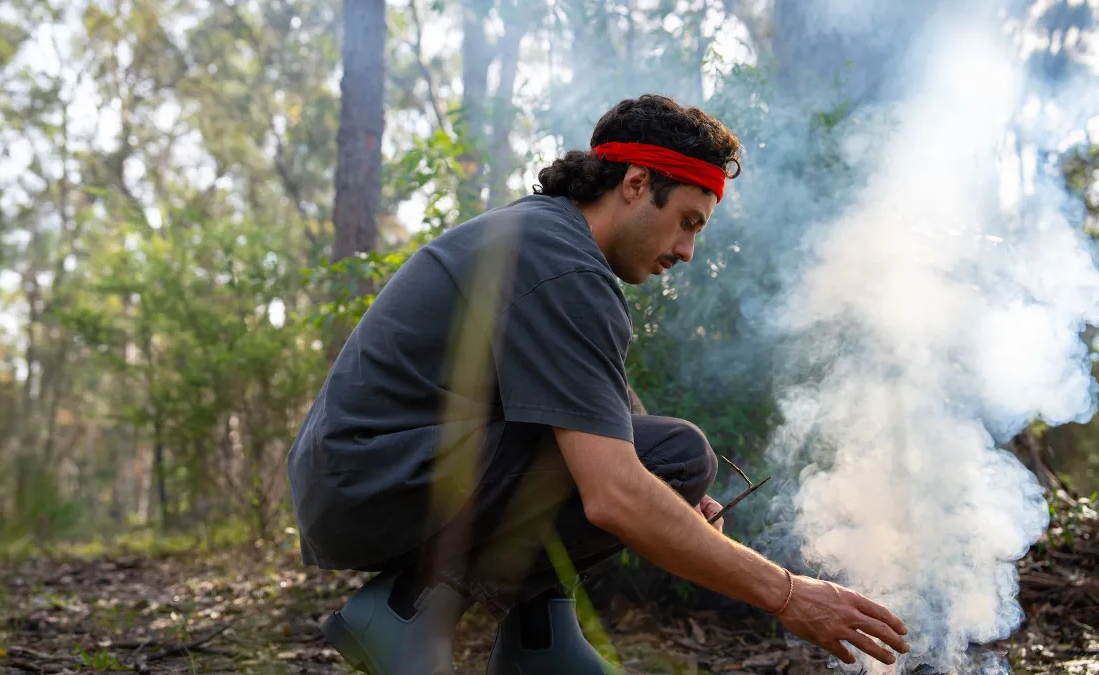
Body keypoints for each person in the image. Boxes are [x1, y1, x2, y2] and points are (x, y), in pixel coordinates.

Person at [287, 94, 910, 675]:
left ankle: (541, 640)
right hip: (368, 477)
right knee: (672, 457)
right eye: (687, 221)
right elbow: (614, 493)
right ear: (637, 183)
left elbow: (602, 415)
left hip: (365, 474)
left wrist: (673, 500)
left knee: (660, 462)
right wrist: (789, 595)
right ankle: (405, 609)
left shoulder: (548, 241)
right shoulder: (558, 264)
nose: (689, 250)